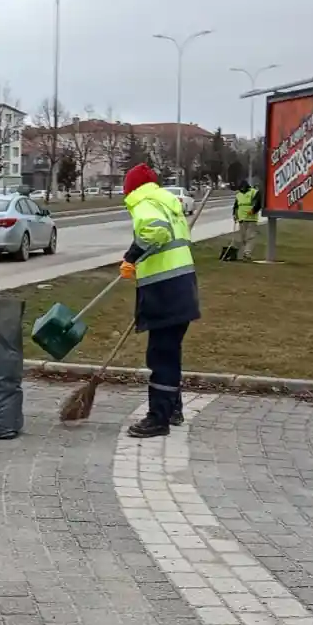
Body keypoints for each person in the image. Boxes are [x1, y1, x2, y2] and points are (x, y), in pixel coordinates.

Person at [118, 163, 199, 438]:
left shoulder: (144, 203)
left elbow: (155, 231)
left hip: (165, 289)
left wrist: (131, 256)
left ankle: (158, 419)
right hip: (182, 287)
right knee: (170, 351)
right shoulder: (168, 204)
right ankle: (173, 408)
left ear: (131, 188)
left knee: (161, 356)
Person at [232, 179, 262, 261]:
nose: (241, 189)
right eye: (240, 188)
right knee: (243, 238)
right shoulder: (238, 195)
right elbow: (236, 206)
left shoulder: (254, 192)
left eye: (243, 187)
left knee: (251, 237)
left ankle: (247, 253)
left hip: (251, 218)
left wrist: (253, 210)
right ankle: (243, 253)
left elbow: (259, 203)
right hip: (241, 218)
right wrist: (234, 215)